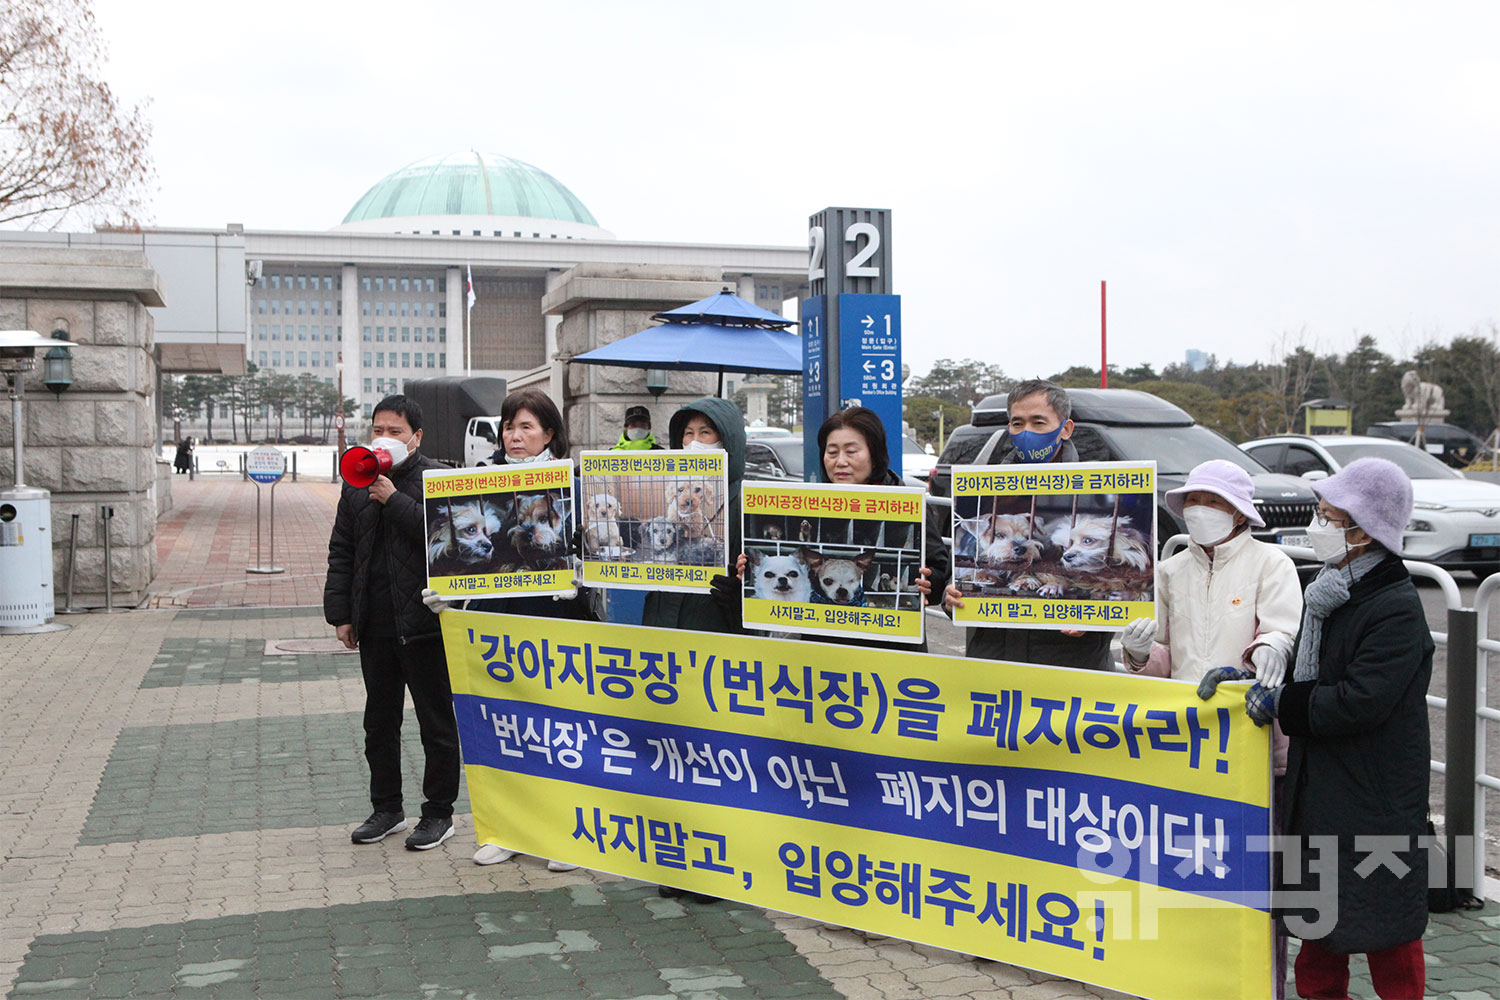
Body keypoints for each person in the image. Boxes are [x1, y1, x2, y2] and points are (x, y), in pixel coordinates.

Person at [1237, 457, 1432, 1000]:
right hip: (1323, 788)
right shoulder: (1330, 589)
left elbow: (1359, 702)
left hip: (1375, 797)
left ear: (1364, 530)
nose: (1317, 526)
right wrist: (1259, 670)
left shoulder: (1394, 606)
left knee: (1388, 933)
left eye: (1327, 515)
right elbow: (1309, 665)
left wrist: (1284, 703)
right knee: (1320, 932)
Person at [1121, 459, 1301, 998]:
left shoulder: (1273, 564)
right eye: (1194, 499)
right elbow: (1163, 657)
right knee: (1186, 864)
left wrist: (1270, 647)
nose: (1201, 510)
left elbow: (1283, 630)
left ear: (1240, 513)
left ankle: (1261, 982)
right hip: (1182, 744)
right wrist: (1134, 652)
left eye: (1215, 501)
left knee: (1255, 874)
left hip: (1253, 744)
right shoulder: (1170, 570)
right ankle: (1186, 976)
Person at [422, 387, 592, 871]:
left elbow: (596, 552)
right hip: (499, 624)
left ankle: (565, 834)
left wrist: (576, 583)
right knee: (504, 727)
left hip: (556, 621)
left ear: (549, 434)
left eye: (526, 427)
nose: (515, 437)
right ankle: (508, 830)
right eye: (509, 426)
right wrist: (450, 594)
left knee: (558, 728)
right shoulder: (480, 482)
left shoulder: (572, 484)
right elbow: (464, 556)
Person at [325, 395, 459, 852]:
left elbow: (448, 542)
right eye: (378, 430)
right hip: (375, 622)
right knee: (378, 722)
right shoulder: (356, 480)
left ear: (417, 437)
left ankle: (439, 813)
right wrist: (341, 614)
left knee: (435, 723)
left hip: (425, 622)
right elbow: (342, 549)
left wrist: (396, 500)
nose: (384, 439)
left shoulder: (438, 478)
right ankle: (387, 809)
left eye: (395, 432)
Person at [638, 396, 746, 901]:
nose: (695, 443)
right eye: (686, 434)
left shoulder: (745, 503)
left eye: (708, 433)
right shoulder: (668, 497)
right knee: (670, 749)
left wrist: (736, 596)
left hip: (716, 643)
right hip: (665, 634)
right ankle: (676, 858)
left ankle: (717, 864)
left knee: (714, 754)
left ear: (729, 440)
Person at [943, 379, 1113, 670]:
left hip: (1069, 663)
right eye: (1017, 423)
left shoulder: (1097, 494)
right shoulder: (982, 489)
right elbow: (956, 574)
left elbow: (1119, 584)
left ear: (1065, 428)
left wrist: (1096, 623)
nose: (1026, 433)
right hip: (994, 659)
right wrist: (951, 595)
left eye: (1038, 422)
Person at [811, 406, 950, 651]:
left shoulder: (907, 503)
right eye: (831, 452)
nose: (840, 461)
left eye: (851, 451)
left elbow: (939, 571)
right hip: (826, 649)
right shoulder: (808, 504)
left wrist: (930, 582)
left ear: (874, 454)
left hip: (891, 650)